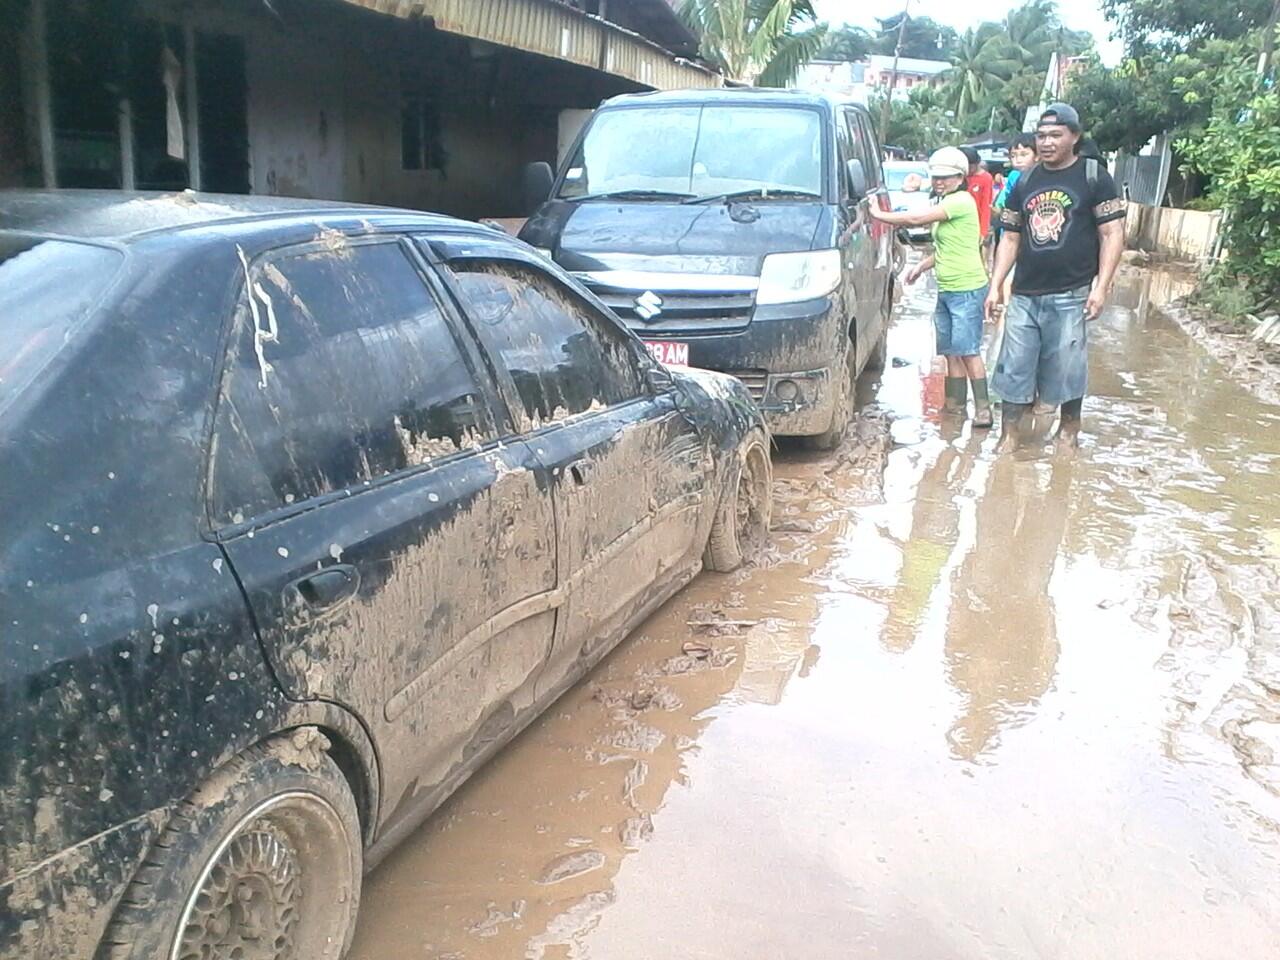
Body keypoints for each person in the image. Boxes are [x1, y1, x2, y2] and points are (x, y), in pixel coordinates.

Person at [984, 103, 1127, 454]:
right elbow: (1012, 237)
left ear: (1074, 137)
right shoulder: (1026, 179)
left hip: (1073, 291)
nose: (1046, 142)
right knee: (1013, 364)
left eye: (1055, 135)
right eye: (1041, 135)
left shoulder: (1093, 176)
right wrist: (995, 285)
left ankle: (1068, 434)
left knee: (1068, 364)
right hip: (1025, 292)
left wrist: (1102, 286)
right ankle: (1009, 436)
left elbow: (1112, 234)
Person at [871, 146, 993, 427]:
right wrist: (919, 267)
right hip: (948, 287)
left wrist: (880, 215)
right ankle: (954, 407)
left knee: (968, 350)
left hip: (967, 288)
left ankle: (983, 409)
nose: (939, 181)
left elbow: (915, 219)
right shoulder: (949, 201)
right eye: (936, 177)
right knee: (949, 350)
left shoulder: (961, 201)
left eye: (946, 177)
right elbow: (946, 249)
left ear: (960, 177)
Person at [962, 146, 995, 242]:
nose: (968, 169)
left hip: (976, 223)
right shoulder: (960, 176)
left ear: (977, 163)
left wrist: (983, 231)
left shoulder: (986, 178)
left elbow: (985, 206)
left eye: (970, 166)